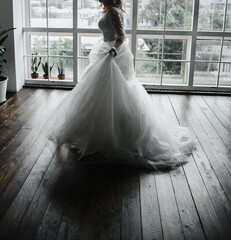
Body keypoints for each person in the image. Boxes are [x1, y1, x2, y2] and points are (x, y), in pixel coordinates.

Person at [44, 0, 197, 170]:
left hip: (113, 53)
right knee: (101, 93)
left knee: (114, 91)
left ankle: (115, 135)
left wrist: (113, 50)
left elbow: (121, 36)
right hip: (107, 49)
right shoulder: (111, 10)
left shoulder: (113, 12)